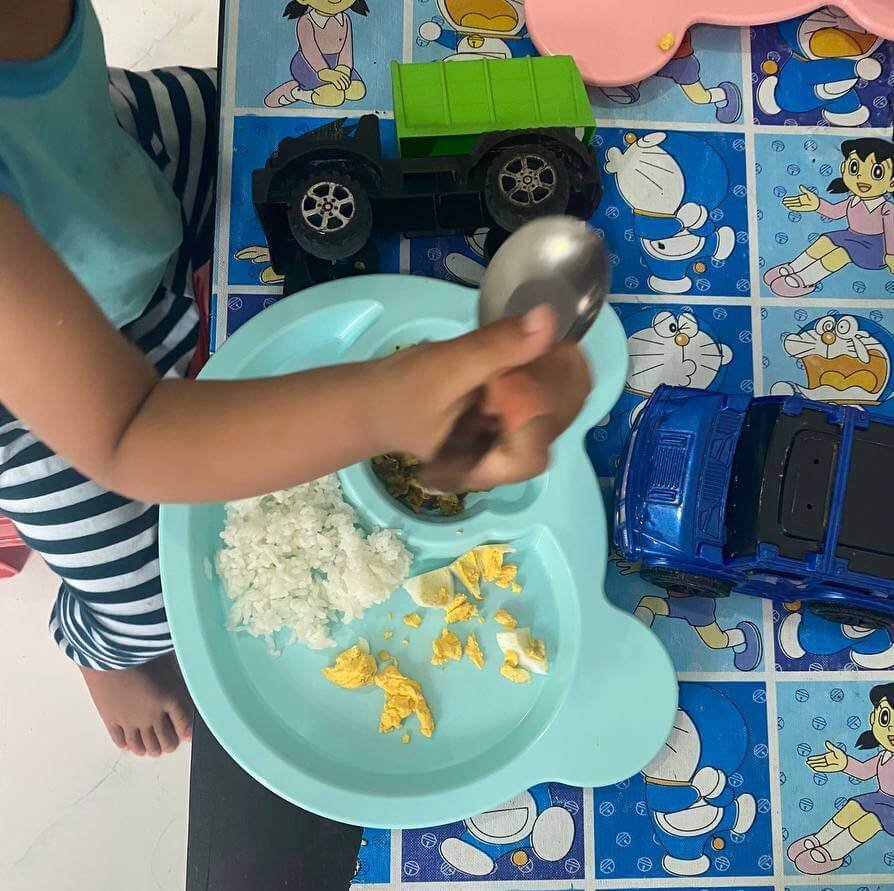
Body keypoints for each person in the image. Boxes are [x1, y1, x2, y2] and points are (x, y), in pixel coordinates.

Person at [0, 0, 590, 757]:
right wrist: (383, 404)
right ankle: (97, 645)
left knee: (281, 120)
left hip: (109, 163)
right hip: (41, 406)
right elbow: (129, 429)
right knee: (158, 598)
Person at [765, 137, 894, 297]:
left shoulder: (886, 208)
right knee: (825, 240)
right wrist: (816, 204)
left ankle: (802, 279)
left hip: (874, 249)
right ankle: (793, 267)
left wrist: (891, 256)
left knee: (840, 254)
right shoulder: (852, 200)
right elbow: (834, 212)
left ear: (892, 183)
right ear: (843, 168)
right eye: (854, 168)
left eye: (877, 172)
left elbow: (891, 234)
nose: (862, 177)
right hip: (850, 236)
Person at [789, 682, 894, 875]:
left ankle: (832, 852)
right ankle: (819, 839)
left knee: (871, 820)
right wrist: (844, 763)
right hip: (880, 798)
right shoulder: (883, 756)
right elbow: (863, 772)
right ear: (873, 718)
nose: (892, 730)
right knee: (853, 806)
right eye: (885, 718)